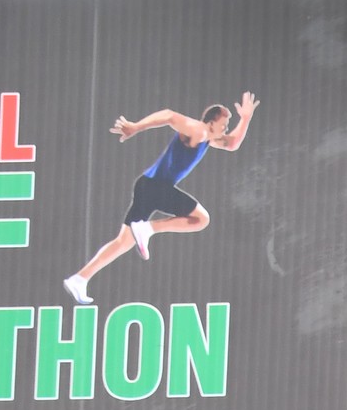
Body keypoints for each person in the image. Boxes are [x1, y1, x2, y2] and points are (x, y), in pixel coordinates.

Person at [66, 94, 257, 304]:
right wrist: (136, 126)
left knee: (123, 242)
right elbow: (169, 115)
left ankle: (80, 278)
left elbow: (232, 144)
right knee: (201, 219)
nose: (226, 128)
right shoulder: (199, 130)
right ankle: (148, 228)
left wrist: (245, 118)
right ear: (211, 122)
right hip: (156, 187)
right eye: (224, 123)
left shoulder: (209, 138)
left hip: (147, 186)